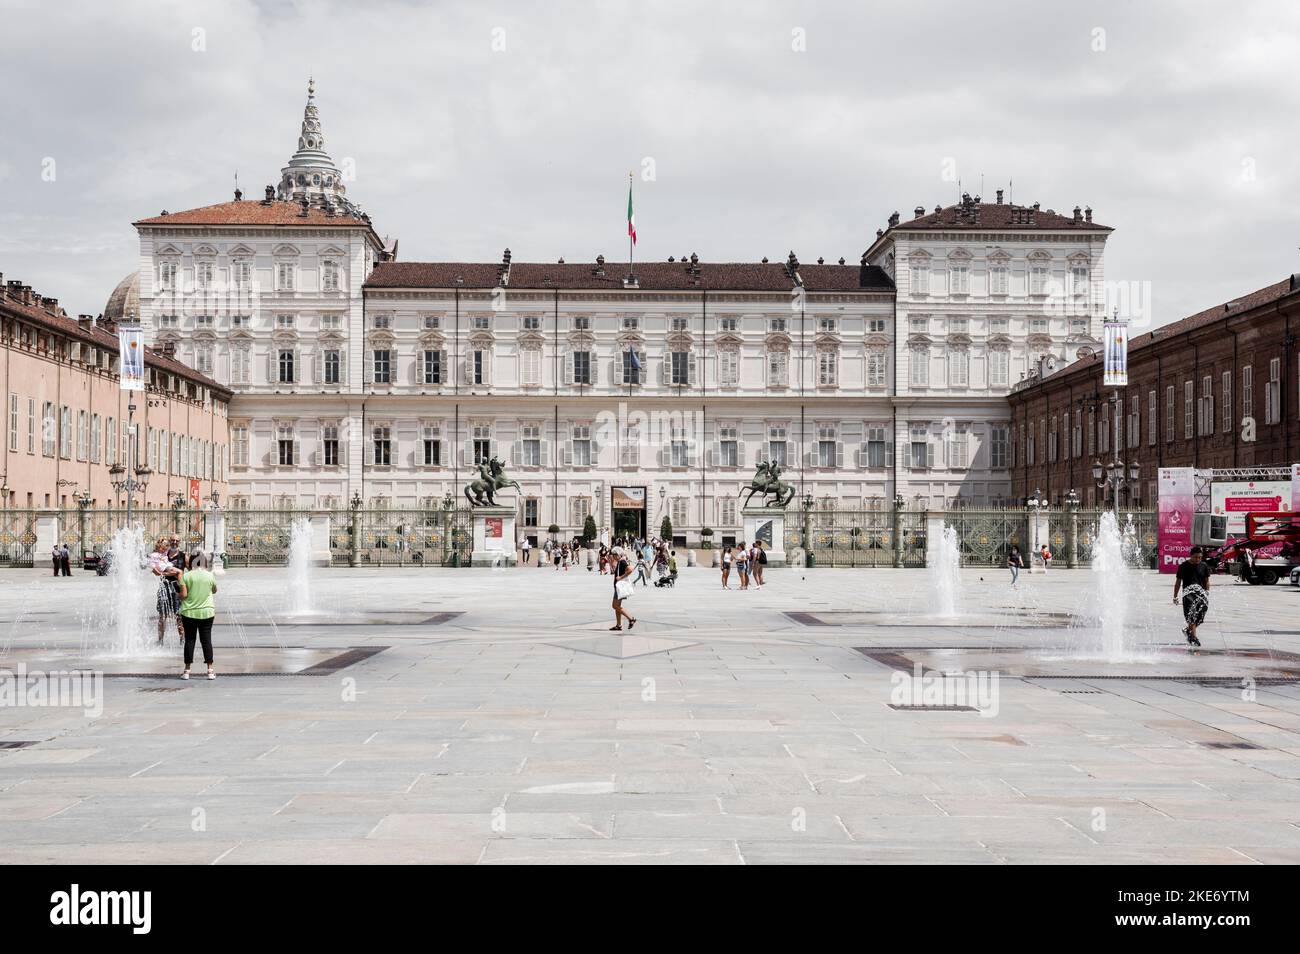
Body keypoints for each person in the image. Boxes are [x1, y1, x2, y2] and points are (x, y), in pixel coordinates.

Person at [176, 550, 218, 680]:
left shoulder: (186, 576)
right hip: (207, 612)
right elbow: (214, 590)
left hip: (189, 612)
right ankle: (210, 670)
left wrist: (177, 594)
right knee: (206, 640)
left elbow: (183, 595)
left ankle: (187, 671)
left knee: (190, 640)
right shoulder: (210, 575)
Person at [1172, 545, 1211, 648]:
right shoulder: (1183, 566)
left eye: (1199, 557)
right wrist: (1175, 596)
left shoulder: (1204, 566)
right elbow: (1178, 582)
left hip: (1201, 594)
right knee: (1191, 616)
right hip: (1188, 595)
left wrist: (1207, 592)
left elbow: (1207, 581)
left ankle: (1188, 630)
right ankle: (1193, 638)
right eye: (1195, 557)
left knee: (1201, 615)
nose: (1198, 559)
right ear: (1191, 556)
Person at [610, 547, 637, 631]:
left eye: (614, 555)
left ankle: (631, 618)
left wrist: (621, 577)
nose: (613, 557)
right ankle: (618, 625)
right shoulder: (620, 561)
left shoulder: (622, 561)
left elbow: (630, 569)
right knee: (618, 606)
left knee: (614, 605)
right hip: (618, 587)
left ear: (617, 555)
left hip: (620, 587)